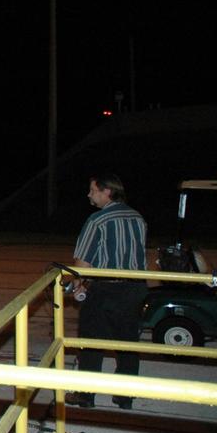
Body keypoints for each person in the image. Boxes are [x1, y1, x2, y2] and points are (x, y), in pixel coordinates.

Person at [63, 173, 147, 410]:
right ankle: (125, 395)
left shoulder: (97, 220)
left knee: (91, 342)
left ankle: (86, 395)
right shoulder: (137, 217)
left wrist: (78, 285)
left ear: (106, 192)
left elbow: (83, 261)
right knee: (128, 343)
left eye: (92, 190)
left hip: (105, 289)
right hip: (135, 288)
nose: (89, 195)